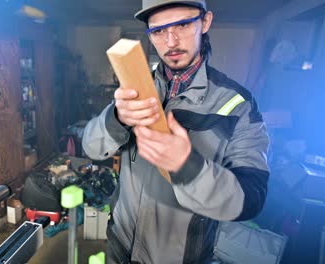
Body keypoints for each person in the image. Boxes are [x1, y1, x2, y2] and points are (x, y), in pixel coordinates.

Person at [82, 0, 270, 263]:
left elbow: (251, 199)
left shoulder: (238, 105)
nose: (170, 42)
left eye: (182, 24)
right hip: (120, 246)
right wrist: (117, 118)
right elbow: (90, 147)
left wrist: (187, 167)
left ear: (205, 22)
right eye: (158, 31)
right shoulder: (136, 84)